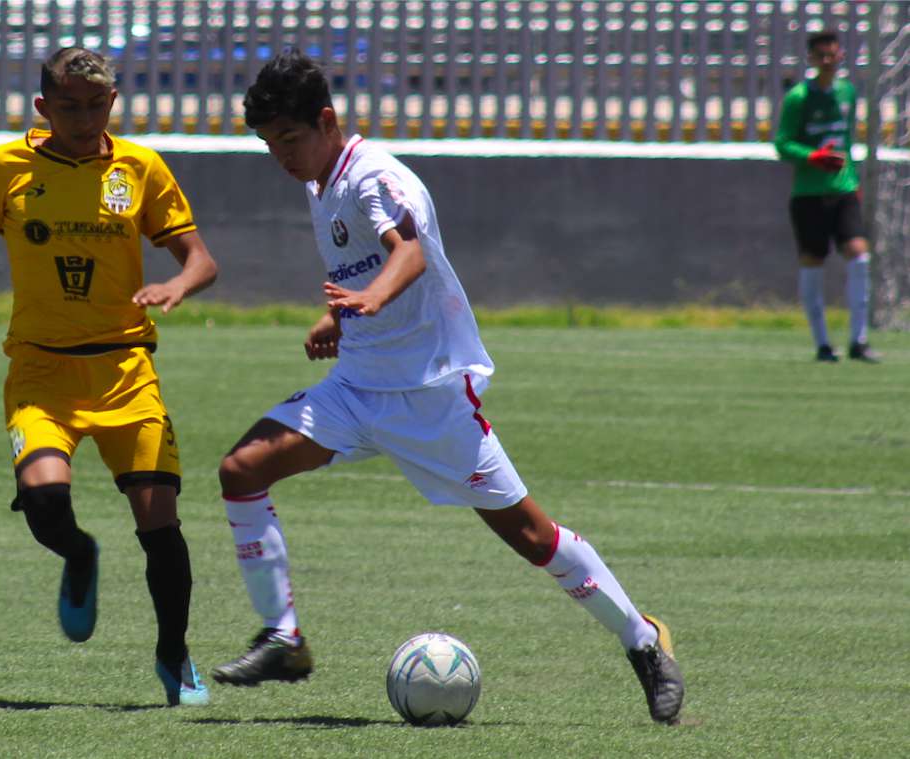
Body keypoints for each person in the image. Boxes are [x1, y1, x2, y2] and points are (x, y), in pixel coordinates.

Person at [209, 49, 685, 725]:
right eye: (267, 144)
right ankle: (282, 637)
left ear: (326, 120)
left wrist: (369, 297)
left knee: (529, 533)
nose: (280, 155)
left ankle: (643, 638)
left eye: (288, 138)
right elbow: (370, 263)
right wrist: (340, 316)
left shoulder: (371, 178)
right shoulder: (321, 182)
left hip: (428, 398)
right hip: (355, 391)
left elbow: (407, 252)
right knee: (241, 468)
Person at [0, 47, 217, 707]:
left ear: (112, 103)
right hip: (40, 373)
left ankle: (174, 655)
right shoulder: (6, 167)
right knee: (46, 503)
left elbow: (201, 258)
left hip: (124, 373)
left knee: (158, 524)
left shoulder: (140, 168)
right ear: (41, 107)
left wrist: (177, 283)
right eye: (68, 107)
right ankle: (79, 554)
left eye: (95, 106)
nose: (83, 119)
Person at [775, 30, 879, 363]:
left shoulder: (847, 92)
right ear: (811, 59)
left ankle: (858, 341)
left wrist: (853, 178)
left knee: (859, 255)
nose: (827, 61)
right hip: (808, 193)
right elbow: (782, 143)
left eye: (832, 55)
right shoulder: (798, 98)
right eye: (820, 56)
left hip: (843, 190)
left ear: (841, 57)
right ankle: (822, 344)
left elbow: (846, 141)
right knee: (813, 261)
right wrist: (813, 157)